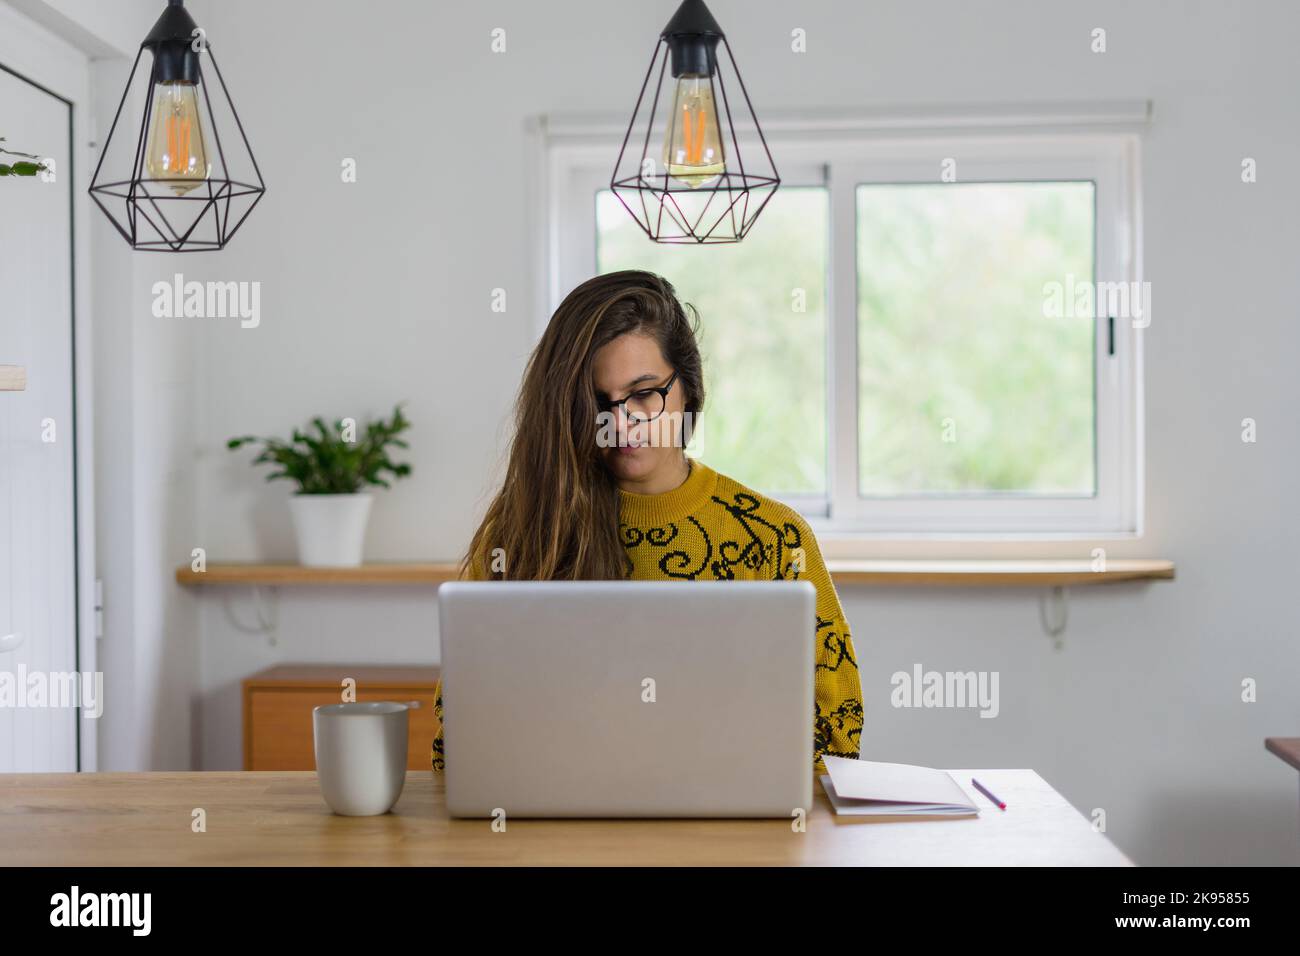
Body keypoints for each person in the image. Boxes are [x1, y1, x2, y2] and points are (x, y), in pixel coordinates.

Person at [432, 270, 862, 774]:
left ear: (687, 389)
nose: (623, 422)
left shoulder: (774, 537)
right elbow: (455, 738)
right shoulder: (525, 532)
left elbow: (838, 738)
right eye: (597, 402)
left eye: (644, 394)